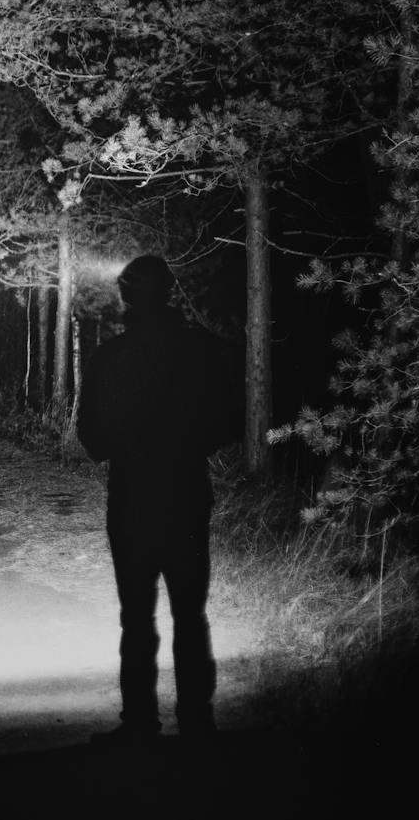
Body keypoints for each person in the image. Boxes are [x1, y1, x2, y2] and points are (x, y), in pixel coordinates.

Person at [76, 254, 242, 745]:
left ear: (127, 297)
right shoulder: (202, 351)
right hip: (187, 494)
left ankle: (140, 725)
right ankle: (196, 721)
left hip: (131, 499)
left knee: (137, 615)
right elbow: (228, 420)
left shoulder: (111, 358)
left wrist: (128, 440)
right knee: (190, 612)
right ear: (168, 293)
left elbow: (92, 440)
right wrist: (190, 441)